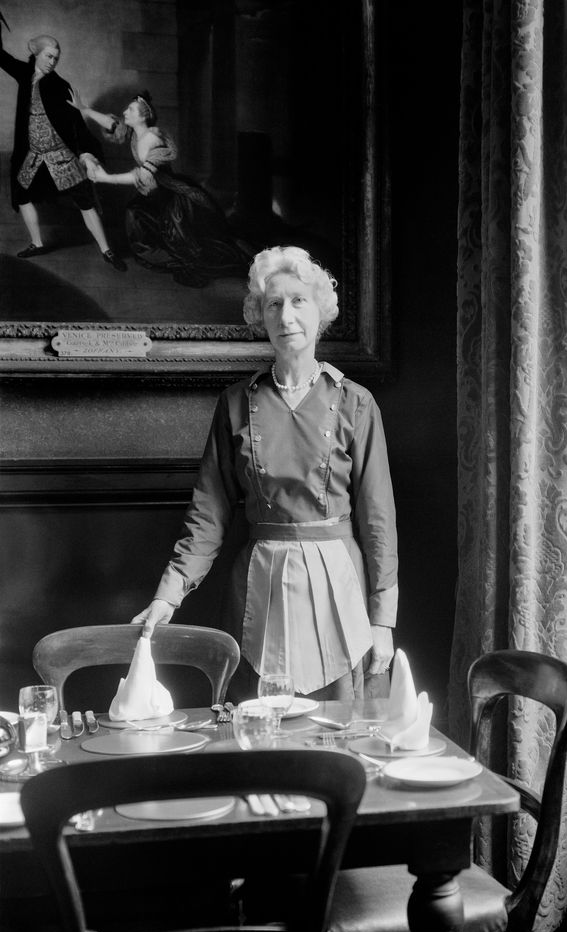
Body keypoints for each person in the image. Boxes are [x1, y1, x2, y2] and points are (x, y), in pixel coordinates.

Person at [132, 246, 398, 701]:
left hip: (340, 585)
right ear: (260, 315)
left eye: (299, 301)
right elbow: (208, 513)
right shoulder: (236, 402)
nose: (286, 316)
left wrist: (383, 622)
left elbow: (378, 520)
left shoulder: (356, 402)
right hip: (259, 584)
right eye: (273, 304)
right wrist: (167, 596)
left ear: (320, 313)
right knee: (255, 725)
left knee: (339, 733)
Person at [70, 90, 254, 288]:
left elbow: (142, 175)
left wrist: (106, 178)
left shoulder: (154, 139)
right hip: (153, 193)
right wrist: (85, 110)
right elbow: (113, 125)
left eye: (130, 109)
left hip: (171, 196)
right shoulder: (135, 132)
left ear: (143, 116)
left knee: (189, 246)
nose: (124, 112)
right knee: (135, 215)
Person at [0, 24, 125, 270]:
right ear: (37, 54)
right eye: (49, 56)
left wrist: (86, 153)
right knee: (23, 196)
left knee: (85, 201)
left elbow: (77, 124)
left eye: (56, 58)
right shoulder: (25, 74)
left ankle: (107, 250)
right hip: (33, 155)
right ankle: (37, 243)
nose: (52, 62)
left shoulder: (60, 86)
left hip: (61, 156)